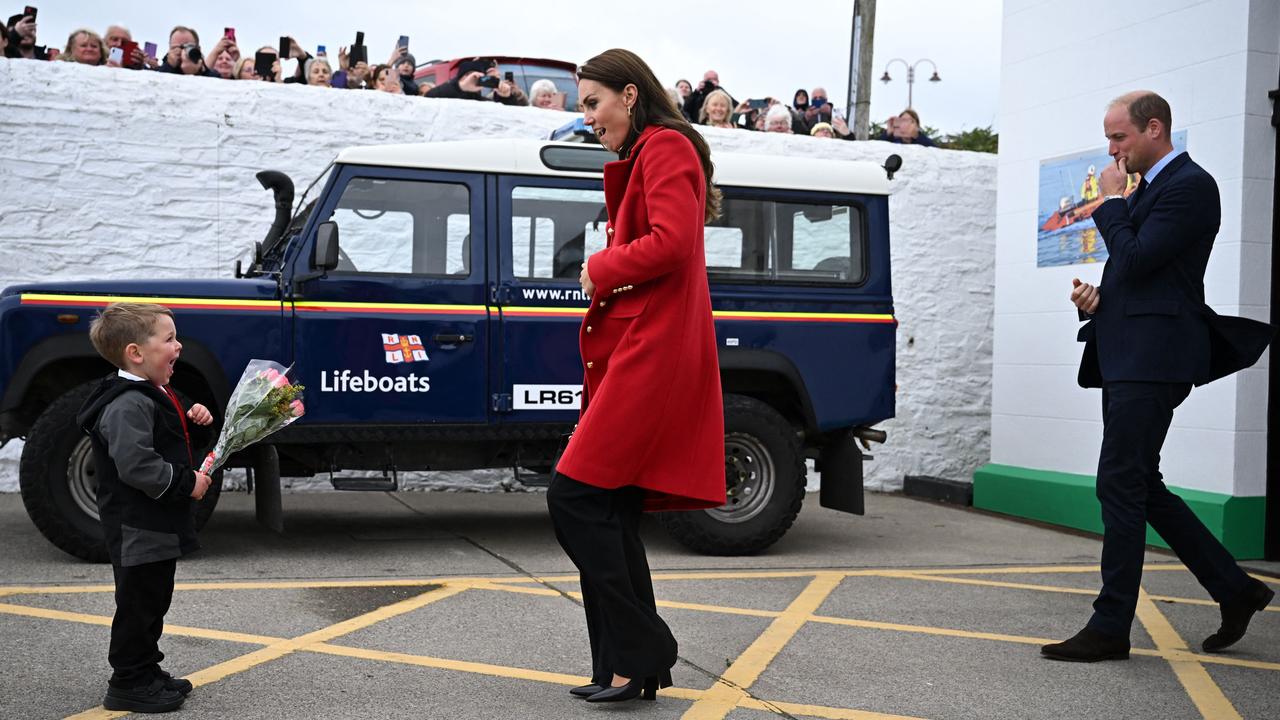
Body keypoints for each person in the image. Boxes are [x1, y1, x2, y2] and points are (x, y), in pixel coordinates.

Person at [1042, 90, 1274, 663]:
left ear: (1153, 129)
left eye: (1118, 137)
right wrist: (1099, 301)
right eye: (1109, 138)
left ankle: (1110, 625)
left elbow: (1141, 257)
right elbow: (1137, 274)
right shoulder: (1150, 190)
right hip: (1130, 351)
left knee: (1119, 482)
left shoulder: (1191, 186)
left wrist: (1112, 204)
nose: (1111, 149)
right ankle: (1236, 589)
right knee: (1141, 484)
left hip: (1154, 360)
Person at [552, 47, 725, 704]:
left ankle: (644, 648)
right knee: (611, 508)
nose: (589, 119)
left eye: (593, 104)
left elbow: (673, 244)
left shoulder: (666, 147)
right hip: (638, 347)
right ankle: (625, 669)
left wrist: (599, 266)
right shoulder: (647, 152)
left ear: (629, 95)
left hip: (652, 353)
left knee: (573, 497)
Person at [76, 303, 215, 712]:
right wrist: (189, 484)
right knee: (138, 606)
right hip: (138, 527)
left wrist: (197, 422)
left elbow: (167, 439)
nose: (179, 346)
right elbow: (137, 464)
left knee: (154, 601)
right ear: (136, 353)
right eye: (169, 339)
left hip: (155, 524)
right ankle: (128, 681)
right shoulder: (127, 403)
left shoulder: (152, 392)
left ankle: (147, 670)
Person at [425, 58, 525, 105]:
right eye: (467, 75)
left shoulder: (484, 103)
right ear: (459, 78)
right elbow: (429, 97)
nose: (473, 78)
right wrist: (461, 87)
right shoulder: (445, 95)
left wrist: (506, 98)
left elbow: (511, 118)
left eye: (476, 75)